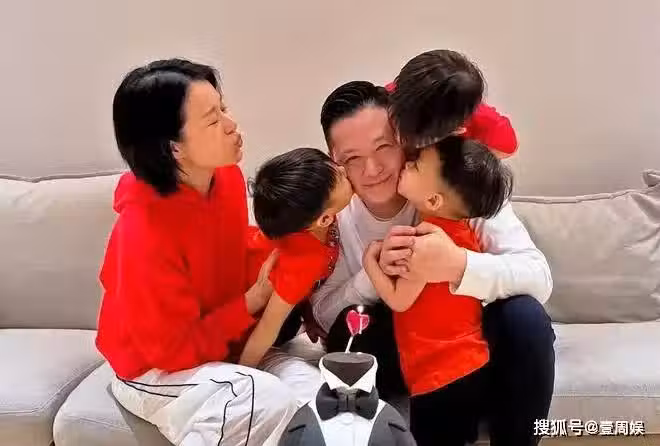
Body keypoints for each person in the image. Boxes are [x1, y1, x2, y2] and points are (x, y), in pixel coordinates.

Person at [312, 79, 555, 446]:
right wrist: (374, 273)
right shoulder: (334, 214)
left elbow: (538, 278)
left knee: (525, 317)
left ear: (406, 140)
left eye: (384, 147)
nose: (372, 169)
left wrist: (457, 264)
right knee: (351, 328)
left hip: (472, 344)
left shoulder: (456, 181)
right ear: (335, 161)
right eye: (352, 158)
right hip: (404, 355)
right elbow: (325, 315)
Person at [96, 58, 307, 446]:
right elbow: (172, 350)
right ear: (174, 147)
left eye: (223, 107)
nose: (232, 124)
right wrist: (251, 301)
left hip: (222, 348)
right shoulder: (143, 230)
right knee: (259, 399)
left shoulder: (225, 177)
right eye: (213, 120)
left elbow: (224, 253)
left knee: (322, 397)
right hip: (153, 369)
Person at [363, 136, 513, 445]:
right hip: (468, 365)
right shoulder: (463, 236)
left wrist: (370, 261)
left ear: (433, 201)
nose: (407, 163)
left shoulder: (427, 244)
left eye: (416, 166)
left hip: (439, 375)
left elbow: (399, 300)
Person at [238, 148, 352, 368]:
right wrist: (243, 375)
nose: (343, 168)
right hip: (245, 310)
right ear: (325, 219)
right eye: (341, 176)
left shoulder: (307, 220)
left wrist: (308, 313)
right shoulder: (302, 261)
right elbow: (267, 328)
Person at [386, 49, 518, 157]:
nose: (399, 138)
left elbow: (509, 148)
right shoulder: (384, 98)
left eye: (417, 137)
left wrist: (460, 154)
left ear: (457, 129)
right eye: (397, 120)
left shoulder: (481, 121)